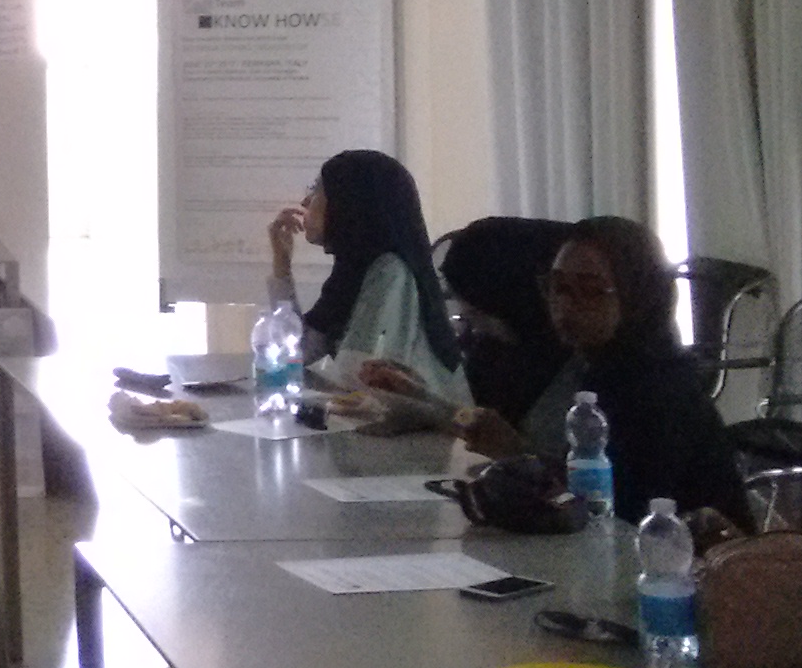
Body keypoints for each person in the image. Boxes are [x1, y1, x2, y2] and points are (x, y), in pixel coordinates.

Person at [451, 215, 746, 524]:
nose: (566, 304)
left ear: (638, 296)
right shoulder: (594, 365)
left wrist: (517, 455)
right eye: (558, 286)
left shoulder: (658, 387)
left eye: (591, 291)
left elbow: (618, 512)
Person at [266, 149, 466, 405]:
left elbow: (356, 379)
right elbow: (300, 351)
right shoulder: (351, 272)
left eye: (317, 189)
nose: (305, 201)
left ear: (348, 201)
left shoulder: (389, 271)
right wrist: (282, 266)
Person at [436, 214, 573, 421]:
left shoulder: (571, 367)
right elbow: (464, 413)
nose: (464, 312)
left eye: (475, 307)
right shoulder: (491, 349)